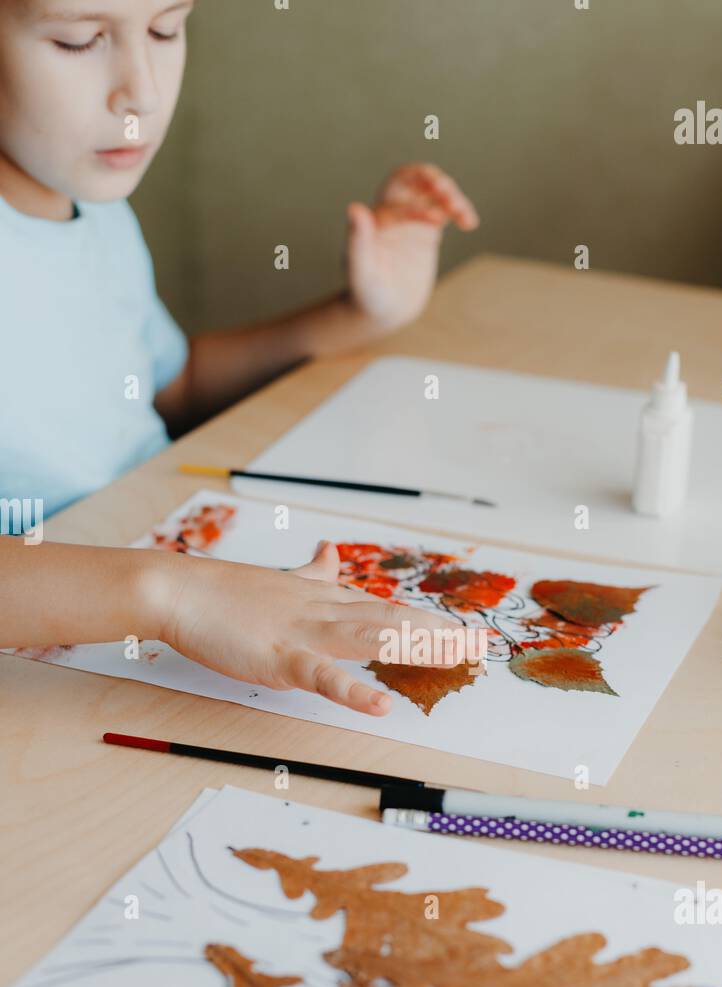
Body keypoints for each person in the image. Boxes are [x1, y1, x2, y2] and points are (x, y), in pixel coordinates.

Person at [0, 0, 479, 713]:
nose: (144, 92)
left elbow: (167, 383)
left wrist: (359, 315)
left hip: (144, 566)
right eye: (79, 40)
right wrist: (174, 594)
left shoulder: (95, 212)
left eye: (166, 29)